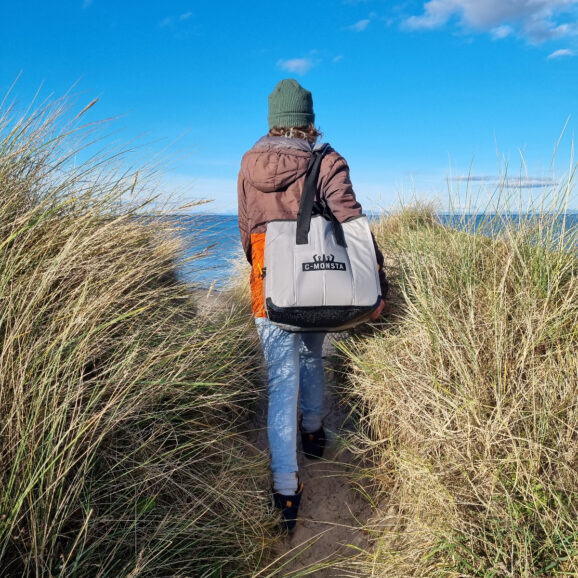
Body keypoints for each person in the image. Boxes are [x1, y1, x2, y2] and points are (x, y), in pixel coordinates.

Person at [237, 78, 387, 532]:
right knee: (313, 355)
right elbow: (352, 224)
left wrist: (265, 268)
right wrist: (378, 281)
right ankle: (315, 431)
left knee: (280, 382)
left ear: (273, 120)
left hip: (269, 281)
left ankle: (286, 490)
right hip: (318, 279)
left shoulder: (248, 161)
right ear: (308, 120)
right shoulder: (328, 160)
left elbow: (246, 230)